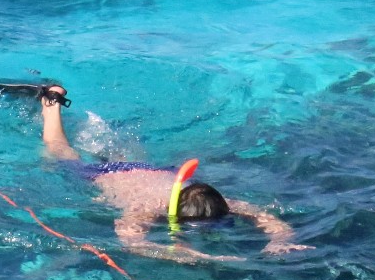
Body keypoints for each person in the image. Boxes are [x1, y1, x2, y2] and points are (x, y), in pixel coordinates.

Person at [25, 82, 306, 264]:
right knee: (59, 150)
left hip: (151, 172)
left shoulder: (220, 203)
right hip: (104, 175)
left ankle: (90, 127)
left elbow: (265, 217)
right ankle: (51, 103)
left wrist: (282, 240)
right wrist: (183, 254)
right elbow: (131, 242)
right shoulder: (145, 209)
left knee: (116, 150)